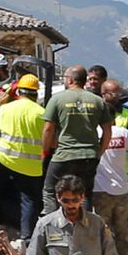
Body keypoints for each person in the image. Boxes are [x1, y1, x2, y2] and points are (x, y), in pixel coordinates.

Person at [0, 73, 47, 240]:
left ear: (18, 92)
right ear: (36, 94)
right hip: (31, 167)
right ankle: (26, 239)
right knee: (30, 201)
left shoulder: (5, 109)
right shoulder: (43, 114)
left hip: (3, 160)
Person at [41, 65, 110, 214]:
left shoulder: (57, 99)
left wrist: (45, 151)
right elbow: (107, 130)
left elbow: (48, 129)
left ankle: (52, 227)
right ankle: (83, 228)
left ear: (71, 79)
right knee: (83, 194)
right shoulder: (98, 101)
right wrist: (99, 151)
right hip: (89, 156)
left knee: (50, 191)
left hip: (64, 155)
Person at [90, 96, 128, 255]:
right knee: (124, 235)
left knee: (101, 235)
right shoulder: (123, 133)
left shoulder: (91, 133)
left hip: (99, 192)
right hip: (121, 191)